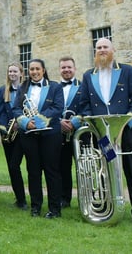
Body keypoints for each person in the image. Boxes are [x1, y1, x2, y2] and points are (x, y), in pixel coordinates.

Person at [78, 37, 132, 226]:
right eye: (99, 47)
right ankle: (104, 207)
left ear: (113, 49)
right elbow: (84, 103)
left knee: (131, 170)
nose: (102, 50)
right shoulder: (88, 75)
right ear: (95, 51)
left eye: (105, 47)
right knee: (104, 169)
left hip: (124, 131)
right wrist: (94, 125)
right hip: (103, 134)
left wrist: (128, 123)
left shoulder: (126, 71)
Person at [11, 58, 64, 219]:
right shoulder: (23, 88)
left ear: (43, 70)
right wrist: (27, 122)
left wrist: (39, 120)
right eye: (31, 69)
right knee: (33, 172)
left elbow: (58, 108)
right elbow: (16, 108)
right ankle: (35, 207)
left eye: (37, 69)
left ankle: (54, 209)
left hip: (50, 135)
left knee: (52, 172)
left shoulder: (55, 87)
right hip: (29, 135)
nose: (34, 72)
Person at [0, 62, 27, 210]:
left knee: (32, 167)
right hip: (10, 136)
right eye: (10, 72)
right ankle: (21, 199)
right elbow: (0, 115)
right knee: (13, 167)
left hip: (25, 133)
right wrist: (5, 131)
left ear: (21, 73)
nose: (12, 74)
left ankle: (34, 198)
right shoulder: (3, 91)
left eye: (15, 71)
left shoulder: (28, 89)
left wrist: (21, 123)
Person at [57, 56, 82, 208]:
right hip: (60, 135)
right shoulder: (54, 89)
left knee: (83, 168)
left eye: (69, 67)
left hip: (80, 135)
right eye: (63, 67)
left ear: (74, 69)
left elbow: (87, 107)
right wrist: (59, 122)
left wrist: (74, 122)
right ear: (59, 70)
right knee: (62, 168)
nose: (66, 70)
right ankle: (64, 199)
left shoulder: (84, 86)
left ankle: (87, 198)